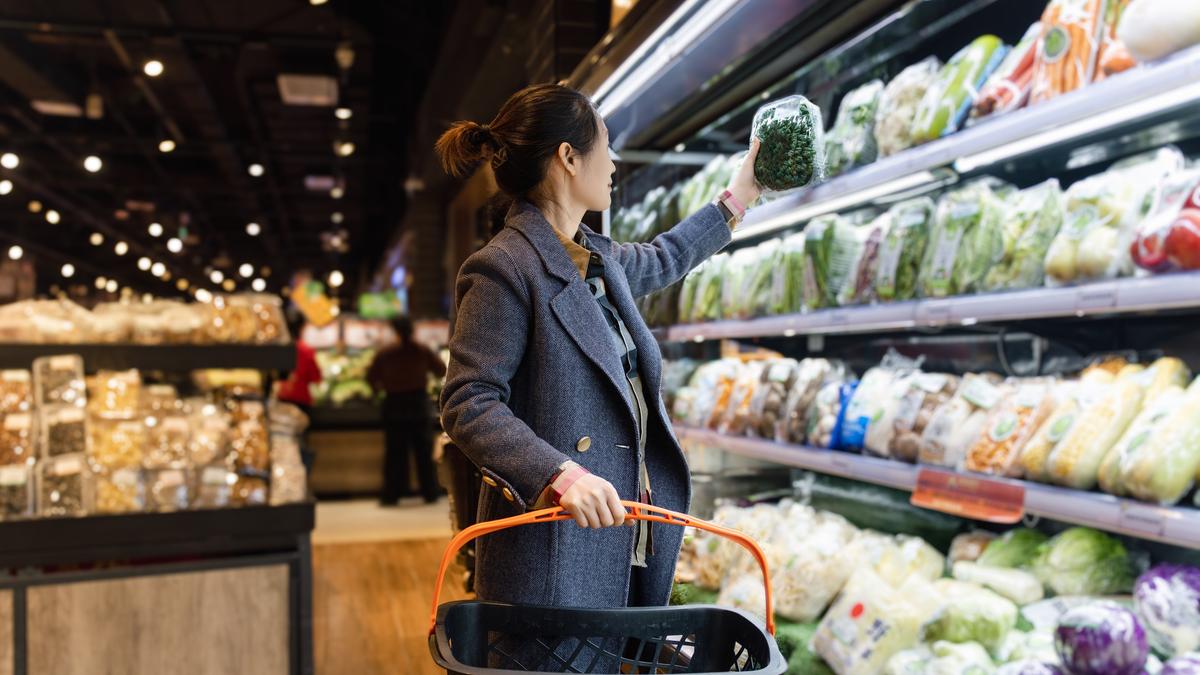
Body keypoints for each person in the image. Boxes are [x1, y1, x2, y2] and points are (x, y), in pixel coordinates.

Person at [436, 84, 760, 621]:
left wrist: (741, 194)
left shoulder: (597, 258)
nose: (612, 163)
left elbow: (666, 256)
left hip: (623, 535)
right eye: (605, 146)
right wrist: (559, 474)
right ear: (568, 157)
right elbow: (468, 403)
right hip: (554, 550)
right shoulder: (502, 268)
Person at [367, 316, 447, 505]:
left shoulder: (386, 353)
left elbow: (371, 378)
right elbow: (441, 370)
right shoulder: (421, 350)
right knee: (423, 452)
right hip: (418, 403)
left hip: (394, 404)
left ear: (394, 331)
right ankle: (430, 493)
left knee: (395, 453)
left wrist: (381, 388)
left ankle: (391, 495)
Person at [276, 313, 321, 470]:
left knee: (281, 441)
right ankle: (299, 472)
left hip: (281, 400)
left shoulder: (277, 350)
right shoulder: (306, 351)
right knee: (300, 441)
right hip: (301, 401)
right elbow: (316, 377)